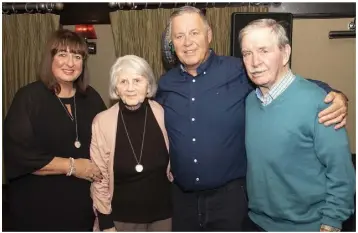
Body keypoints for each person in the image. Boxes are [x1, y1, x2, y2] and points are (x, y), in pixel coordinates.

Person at [155, 6, 349, 231]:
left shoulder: (239, 71)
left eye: (194, 33)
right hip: (183, 201)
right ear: (172, 44)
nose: (187, 42)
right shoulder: (165, 84)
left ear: (209, 36)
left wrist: (337, 96)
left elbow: (287, 82)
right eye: (179, 36)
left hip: (230, 201)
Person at [241, 18, 355, 232]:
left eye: (264, 50)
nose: (255, 61)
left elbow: (341, 173)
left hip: (308, 226)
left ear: (285, 53)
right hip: (257, 223)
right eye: (247, 53)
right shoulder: (250, 102)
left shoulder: (321, 103)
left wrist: (332, 222)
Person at [3, 29, 106, 231]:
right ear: (50, 58)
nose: (70, 63)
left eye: (77, 56)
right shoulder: (28, 98)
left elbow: (108, 141)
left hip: (82, 208)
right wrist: (74, 166)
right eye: (62, 54)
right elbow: (19, 155)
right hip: (37, 208)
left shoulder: (91, 97)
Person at [90, 55, 172, 232]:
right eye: (123, 82)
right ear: (116, 89)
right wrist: (106, 223)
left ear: (148, 85)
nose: (130, 88)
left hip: (164, 217)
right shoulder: (102, 122)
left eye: (137, 80)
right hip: (122, 220)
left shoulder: (162, 114)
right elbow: (99, 178)